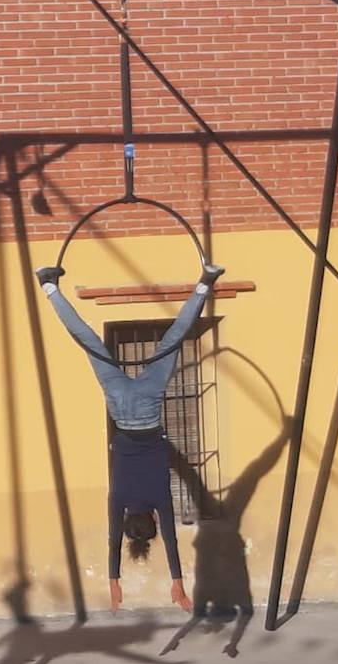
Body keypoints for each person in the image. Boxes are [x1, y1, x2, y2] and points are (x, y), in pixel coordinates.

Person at [35, 257, 224, 614]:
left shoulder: (159, 499)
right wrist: (113, 583)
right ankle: (48, 286)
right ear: (127, 520)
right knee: (88, 341)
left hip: (149, 410)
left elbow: (171, 542)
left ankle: (205, 282)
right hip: (121, 408)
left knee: (173, 339)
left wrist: (178, 585)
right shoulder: (118, 499)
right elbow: (111, 542)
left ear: (151, 518)